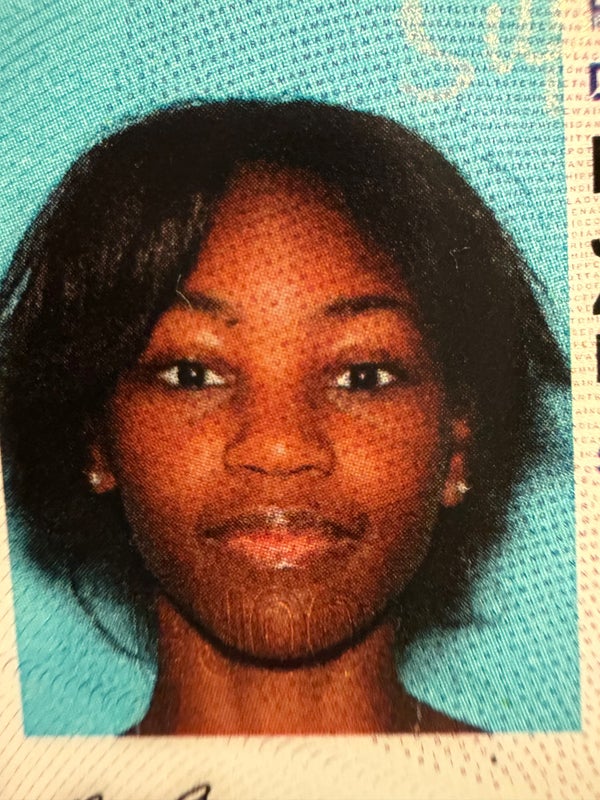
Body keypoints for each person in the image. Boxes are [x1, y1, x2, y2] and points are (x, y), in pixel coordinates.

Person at [0, 100, 568, 735]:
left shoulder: (545, 778)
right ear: (97, 440)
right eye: (193, 374)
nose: (278, 446)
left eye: (362, 375)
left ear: (456, 445)